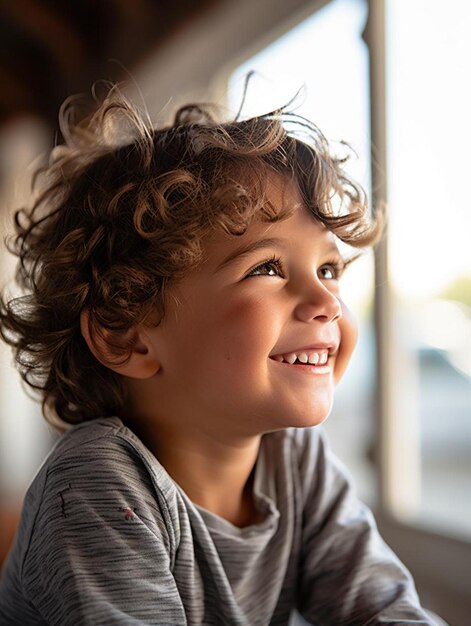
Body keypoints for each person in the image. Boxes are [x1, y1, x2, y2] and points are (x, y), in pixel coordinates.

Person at [0, 85, 445, 625]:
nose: (328, 301)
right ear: (128, 337)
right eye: (267, 268)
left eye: (328, 270)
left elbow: (382, 607)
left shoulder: (294, 459)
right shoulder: (97, 486)